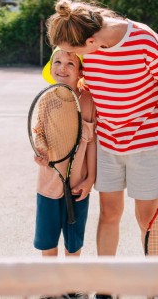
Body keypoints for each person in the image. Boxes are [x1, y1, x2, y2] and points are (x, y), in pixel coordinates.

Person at [45, 0, 158, 271]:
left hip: (147, 146)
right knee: (109, 214)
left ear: (90, 44)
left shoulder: (146, 41)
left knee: (147, 217)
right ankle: (106, 282)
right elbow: (74, 88)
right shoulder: (85, 47)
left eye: (73, 52)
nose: (73, 59)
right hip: (108, 145)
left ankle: (155, 282)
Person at [33, 48, 97, 267]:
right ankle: (51, 286)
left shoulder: (88, 101)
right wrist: (41, 153)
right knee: (47, 239)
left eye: (70, 63)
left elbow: (91, 144)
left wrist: (90, 180)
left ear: (80, 71)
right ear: (51, 68)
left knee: (73, 241)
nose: (63, 67)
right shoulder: (46, 100)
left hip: (78, 185)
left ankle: (71, 285)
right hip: (49, 183)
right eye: (57, 62)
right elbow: (39, 133)